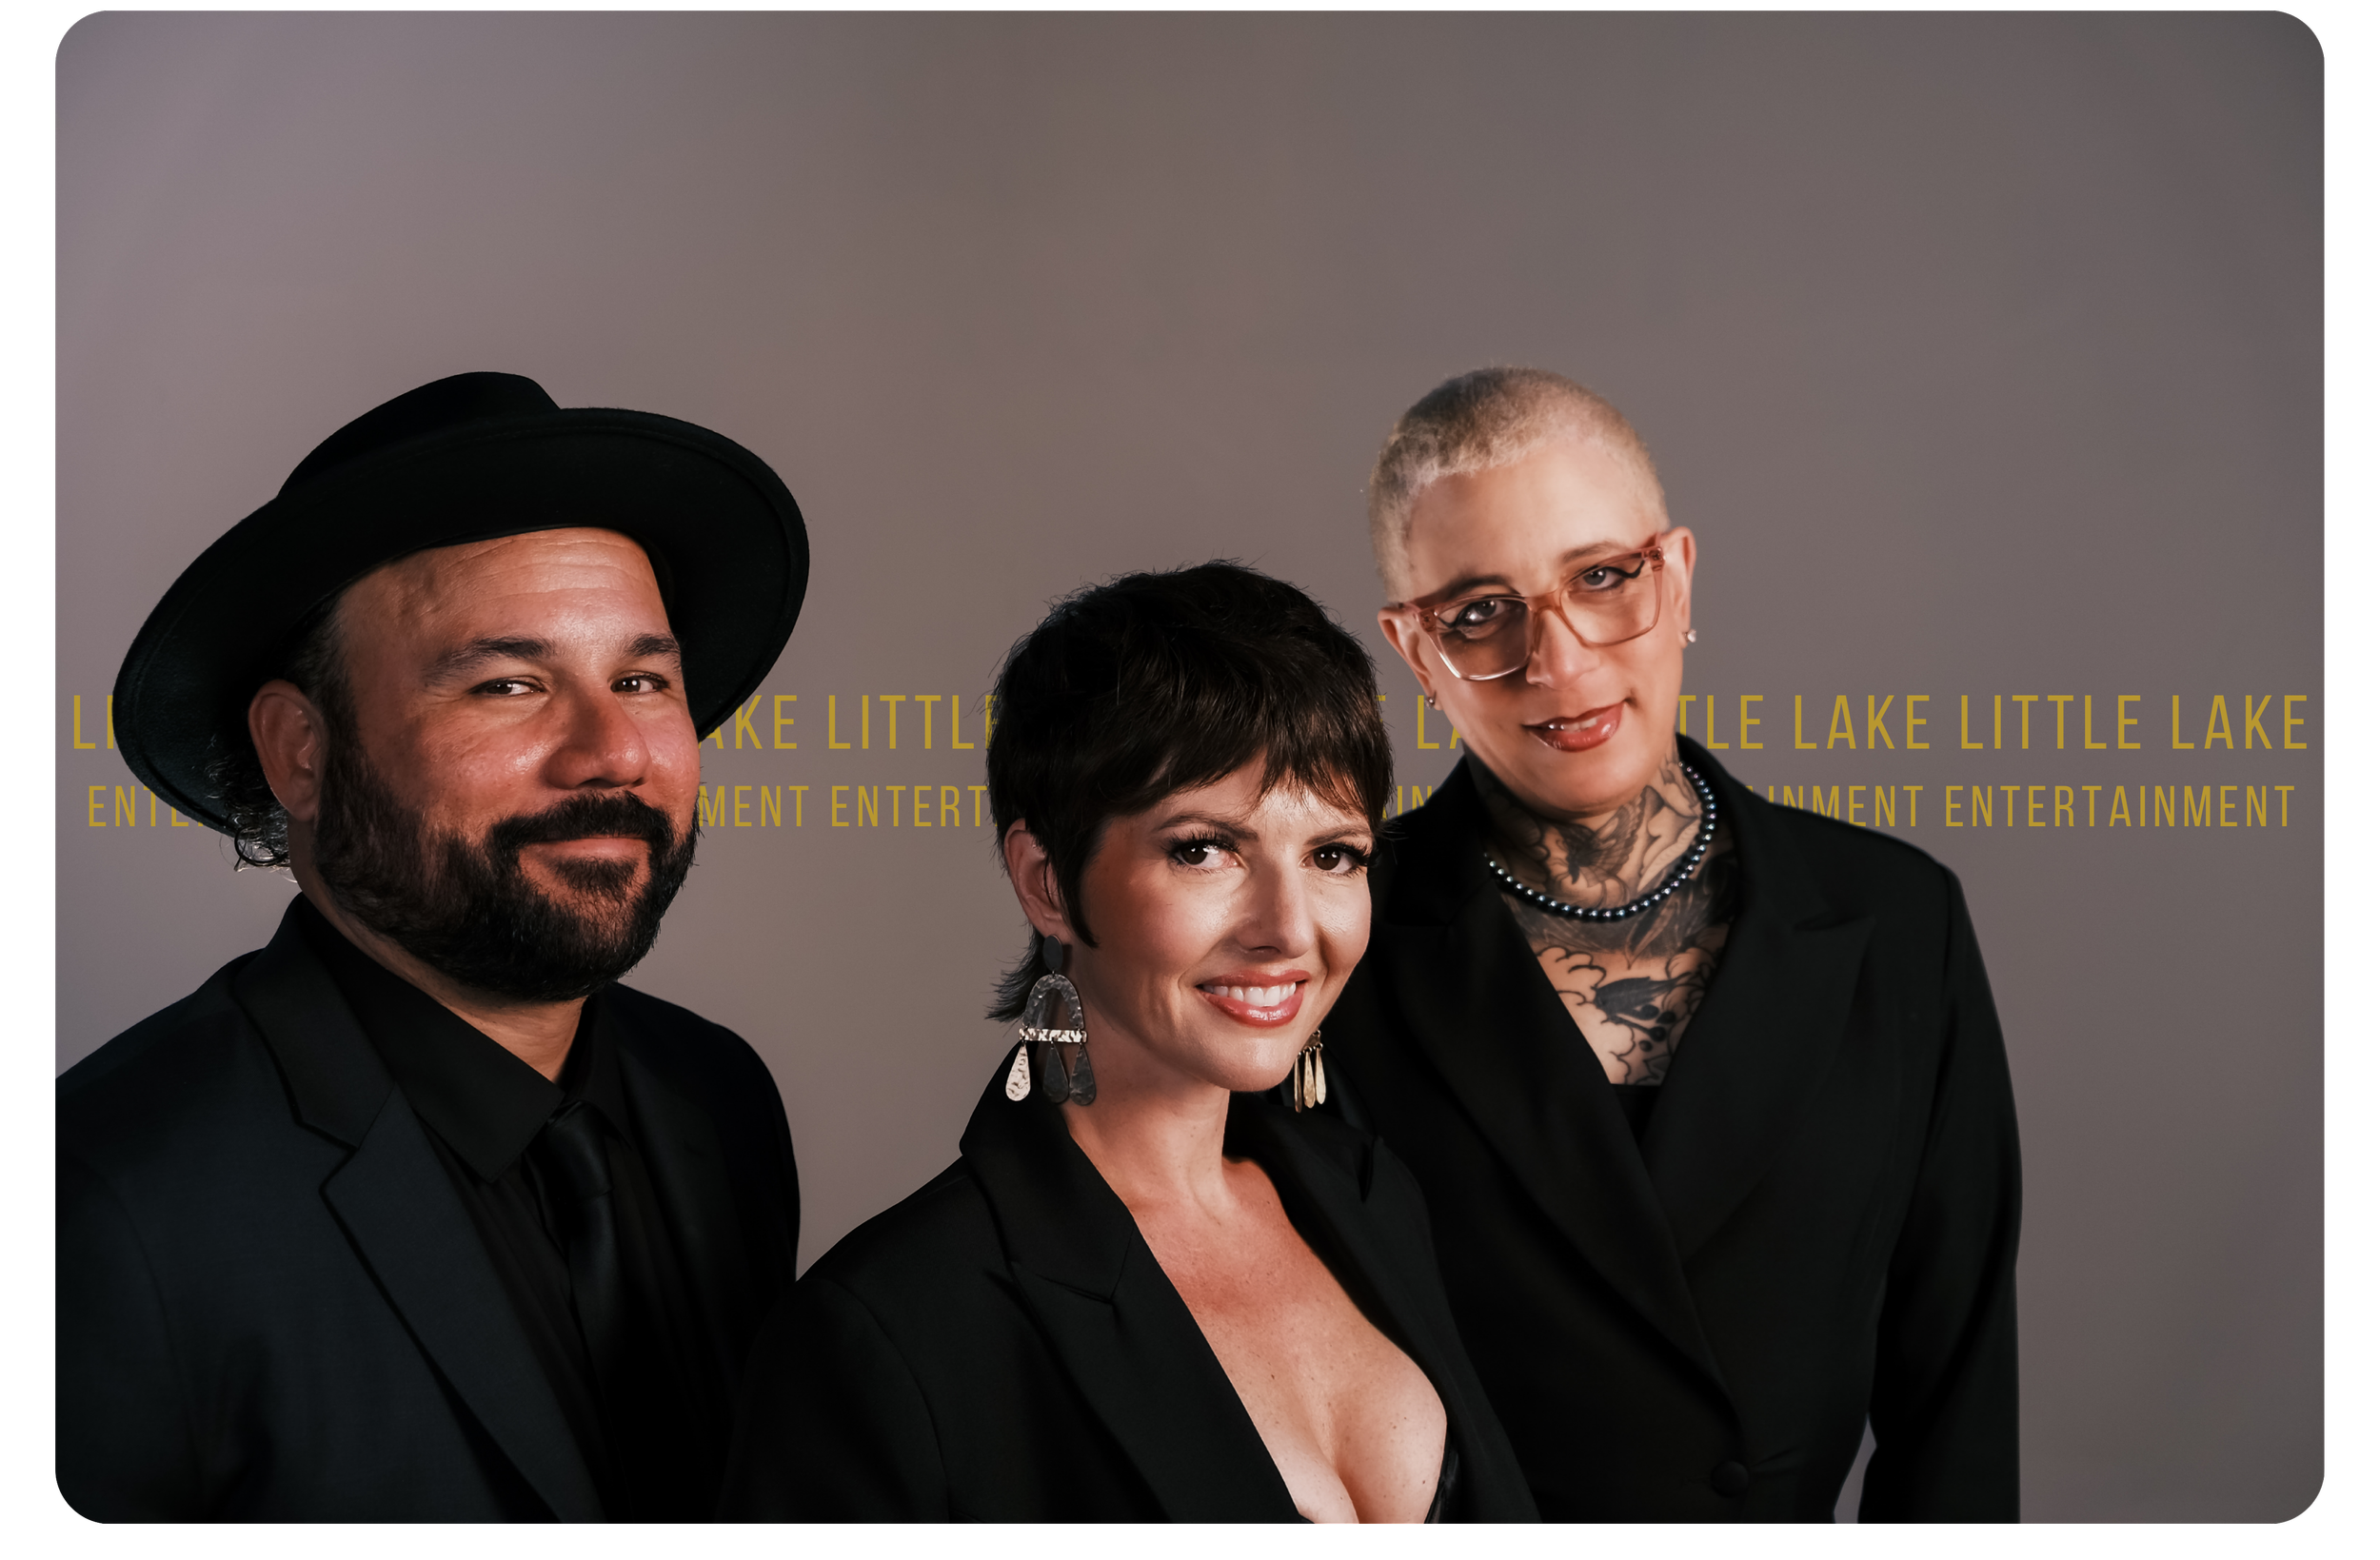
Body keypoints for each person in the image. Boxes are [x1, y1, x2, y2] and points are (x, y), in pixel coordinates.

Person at [56, 371, 811, 1522]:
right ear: (300, 754)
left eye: (642, 679)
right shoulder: (109, 1208)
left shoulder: (721, 1100)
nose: (611, 750)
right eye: (508, 683)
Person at [1324, 367, 2021, 1522]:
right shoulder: (1326, 935)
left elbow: (1955, 1404)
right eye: (1481, 613)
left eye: (1601, 578)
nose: (1560, 659)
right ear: (1414, 650)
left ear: (1679, 573)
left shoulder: (1896, 921)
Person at [721, 564, 1537, 1524]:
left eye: (1331, 854)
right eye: (1204, 848)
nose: (1286, 926)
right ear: (1047, 882)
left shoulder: (1371, 1195)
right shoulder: (890, 1332)